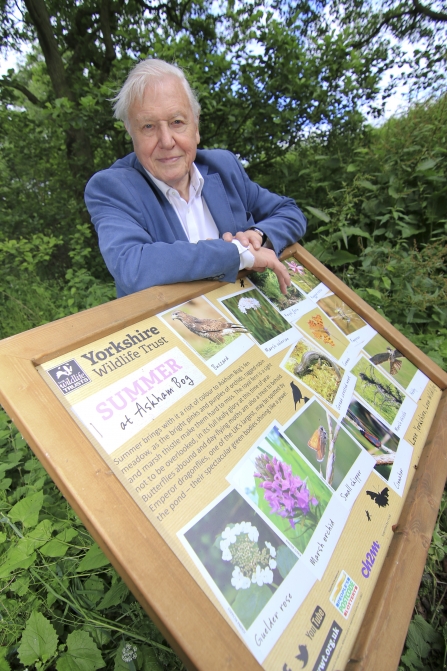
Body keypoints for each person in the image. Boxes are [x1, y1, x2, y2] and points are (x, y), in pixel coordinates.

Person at [85, 59, 306, 298]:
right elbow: (132, 265)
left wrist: (259, 235)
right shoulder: (112, 188)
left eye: (177, 122)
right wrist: (238, 253)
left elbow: (290, 212)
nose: (167, 141)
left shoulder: (224, 167)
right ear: (131, 131)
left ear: (196, 125)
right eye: (148, 126)